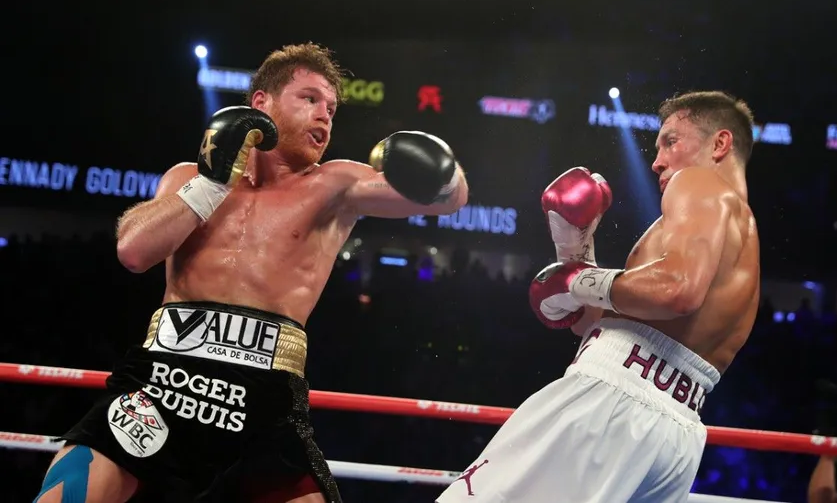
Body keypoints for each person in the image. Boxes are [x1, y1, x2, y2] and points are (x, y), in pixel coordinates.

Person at [34, 42, 468, 503]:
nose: (324, 116)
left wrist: (440, 171)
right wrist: (211, 184)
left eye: (331, 108)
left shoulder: (336, 185)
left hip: (265, 399)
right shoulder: (188, 177)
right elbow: (133, 251)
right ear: (261, 103)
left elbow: (450, 199)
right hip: (163, 381)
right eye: (309, 99)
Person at [437, 90, 759, 503]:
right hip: (677, 437)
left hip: (609, 407)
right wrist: (574, 249)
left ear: (720, 143)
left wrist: (575, 279)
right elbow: (601, 328)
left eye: (670, 142)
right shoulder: (746, 246)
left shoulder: (697, 183)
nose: (657, 161)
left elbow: (677, 290)